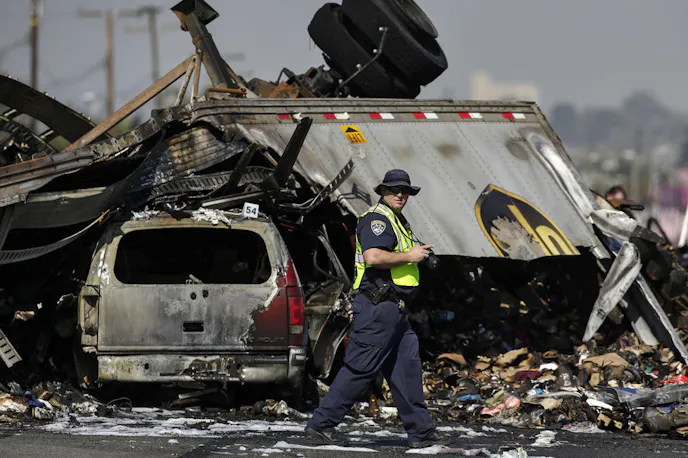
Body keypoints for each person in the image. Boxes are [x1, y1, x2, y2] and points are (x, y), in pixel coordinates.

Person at [305, 169, 447, 448]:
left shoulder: (397, 220)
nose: (400, 194)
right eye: (394, 189)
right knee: (360, 369)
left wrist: (416, 253)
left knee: (406, 370)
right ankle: (320, 425)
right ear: (383, 191)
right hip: (378, 307)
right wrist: (411, 255)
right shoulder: (376, 220)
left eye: (405, 191)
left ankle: (421, 432)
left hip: (396, 311)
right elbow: (373, 257)